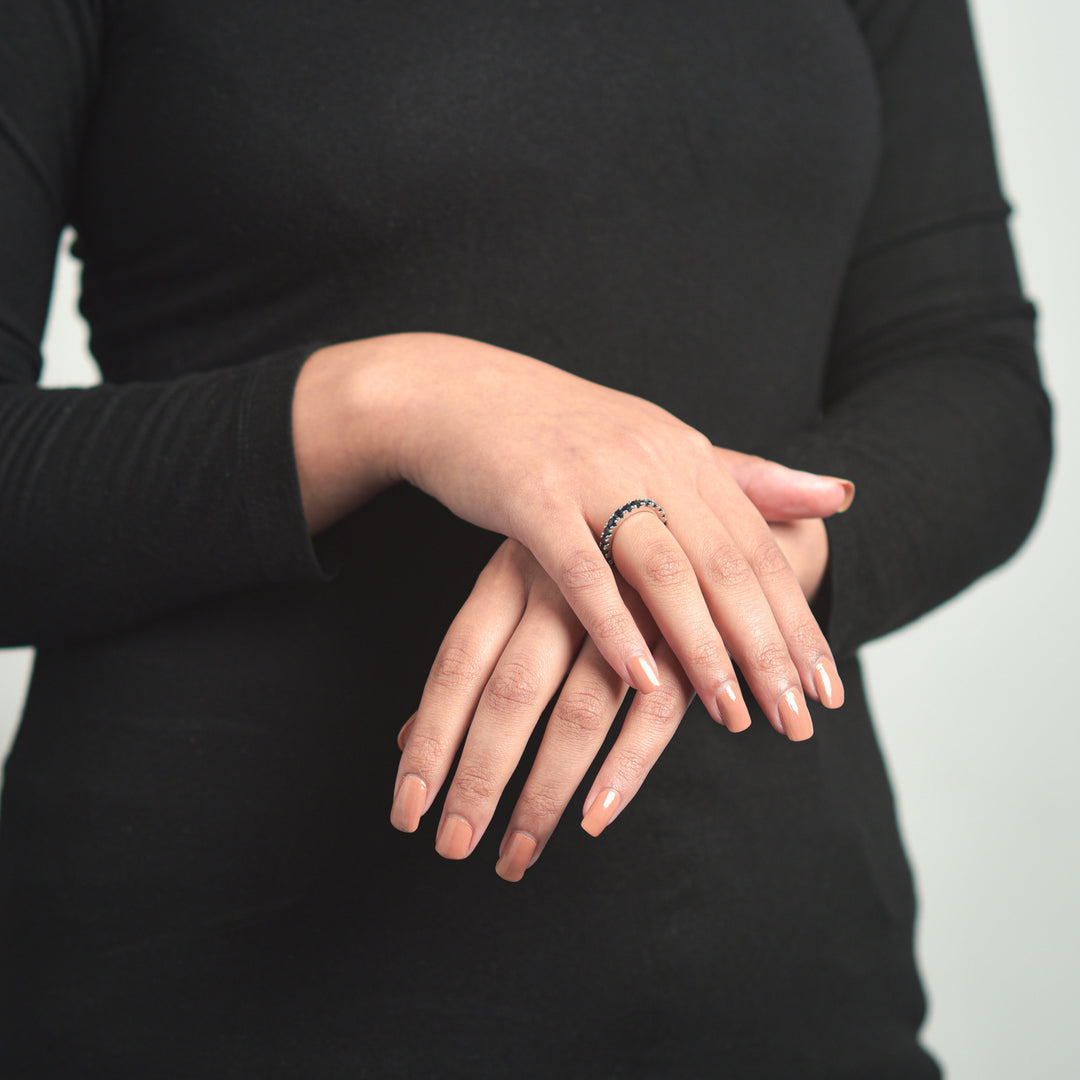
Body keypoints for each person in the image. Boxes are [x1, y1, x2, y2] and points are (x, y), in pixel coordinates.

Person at [0, 0, 1051, 1076]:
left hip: (777, 983)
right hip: (206, 989)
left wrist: (705, 559)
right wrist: (397, 398)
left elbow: (968, 371)